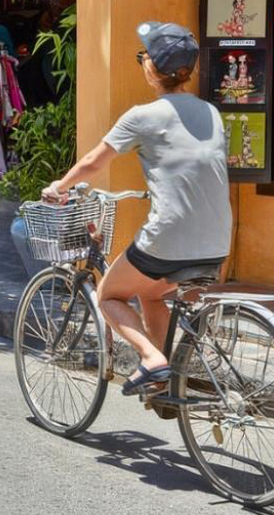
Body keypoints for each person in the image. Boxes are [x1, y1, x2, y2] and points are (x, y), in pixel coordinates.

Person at [42, 22, 231, 398]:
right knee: (152, 292)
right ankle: (161, 379)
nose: (142, 61)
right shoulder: (211, 112)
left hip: (169, 237)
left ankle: (150, 358)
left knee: (108, 295)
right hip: (217, 241)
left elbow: (95, 162)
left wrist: (59, 187)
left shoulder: (143, 116)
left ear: (152, 69)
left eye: (143, 56)